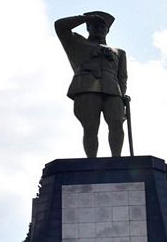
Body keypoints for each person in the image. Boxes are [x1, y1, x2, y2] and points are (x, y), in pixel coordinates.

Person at [54, 12, 128, 158]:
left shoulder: (119, 52)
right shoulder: (76, 42)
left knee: (117, 124)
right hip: (86, 88)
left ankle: (117, 159)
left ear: (107, 30)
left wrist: (122, 95)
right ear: (87, 27)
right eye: (95, 25)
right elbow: (60, 26)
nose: (99, 28)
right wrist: (85, 18)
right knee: (90, 128)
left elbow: (122, 77)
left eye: (103, 26)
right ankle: (91, 161)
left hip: (113, 91)